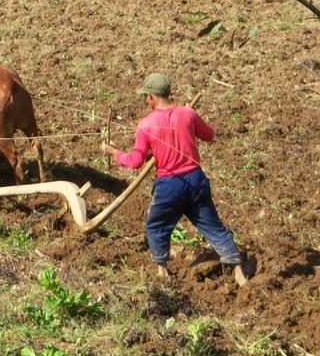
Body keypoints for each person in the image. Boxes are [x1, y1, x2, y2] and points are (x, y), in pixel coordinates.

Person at [100, 73, 248, 287]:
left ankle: (162, 271)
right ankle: (238, 271)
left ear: (151, 97)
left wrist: (112, 151)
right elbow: (209, 135)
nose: (145, 101)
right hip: (196, 180)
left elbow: (134, 161)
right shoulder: (188, 113)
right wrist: (187, 126)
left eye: (146, 97)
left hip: (169, 185)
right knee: (213, 227)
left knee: (157, 225)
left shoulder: (146, 124)